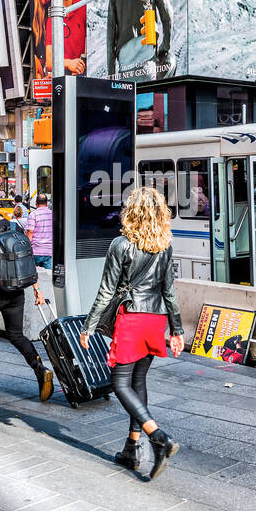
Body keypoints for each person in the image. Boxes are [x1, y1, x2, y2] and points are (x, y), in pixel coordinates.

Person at [82, 186, 183, 480]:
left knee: (120, 383)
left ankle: (158, 437)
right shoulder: (165, 246)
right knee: (138, 380)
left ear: (132, 213)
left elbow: (106, 291)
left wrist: (89, 326)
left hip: (132, 318)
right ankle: (131, 447)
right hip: (156, 319)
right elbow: (170, 292)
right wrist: (176, 330)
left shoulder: (120, 245)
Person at [0, 186, 54, 401]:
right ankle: (39, 368)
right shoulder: (14, 226)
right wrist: (36, 289)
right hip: (15, 292)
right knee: (16, 335)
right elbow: (25, 259)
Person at [23, 193, 54, 270]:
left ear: (36, 203)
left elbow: (30, 232)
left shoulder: (33, 215)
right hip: (49, 251)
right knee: (49, 277)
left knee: (34, 277)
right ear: (47, 203)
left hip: (36, 251)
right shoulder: (53, 214)